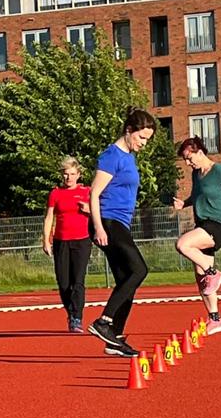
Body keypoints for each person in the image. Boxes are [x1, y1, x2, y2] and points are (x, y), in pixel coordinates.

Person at [87, 109, 157, 358]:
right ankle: (103, 322)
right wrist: (98, 227)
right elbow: (94, 194)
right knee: (139, 270)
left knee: (126, 280)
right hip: (108, 221)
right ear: (129, 131)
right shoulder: (111, 156)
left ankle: (114, 338)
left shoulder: (129, 157)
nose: (144, 143)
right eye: (141, 137)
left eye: (147, 139)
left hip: (120, 223)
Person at [172, 136, 221, 335]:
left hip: (218, 225)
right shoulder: (196, 174)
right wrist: (184, 203)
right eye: (185, 160)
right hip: (202, 225)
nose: (188, 163)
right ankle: (216, 319)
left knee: (183, 244)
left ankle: (214, 273)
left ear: (200, 152)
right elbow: (198, 196)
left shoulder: (220, 171)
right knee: (202, 280)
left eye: (189, 158)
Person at [42, 156, 92, 333]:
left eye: (72, 174)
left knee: (78, 281)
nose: (68, 177)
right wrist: (46, 240)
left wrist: (89, 209)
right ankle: (71, 312)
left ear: (78, 175)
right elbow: (49, 217)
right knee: (63, 282)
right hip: (61, 241)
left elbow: (100, 212)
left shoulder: (87, 192)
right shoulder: (55, 194)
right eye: (65, 174)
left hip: (82, 240)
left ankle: (77, 317)